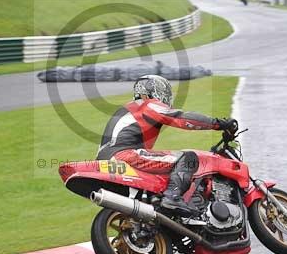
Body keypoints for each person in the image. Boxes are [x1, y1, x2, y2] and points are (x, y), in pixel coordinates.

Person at [96, 75, 237, 216]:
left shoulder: (129, 108)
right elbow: (181, 118)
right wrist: (218, 123)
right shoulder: (147, 104)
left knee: (164, 172)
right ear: (156, 91)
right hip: (124, 155)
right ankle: (172, 198)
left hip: (108, 158)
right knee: (188, 158)